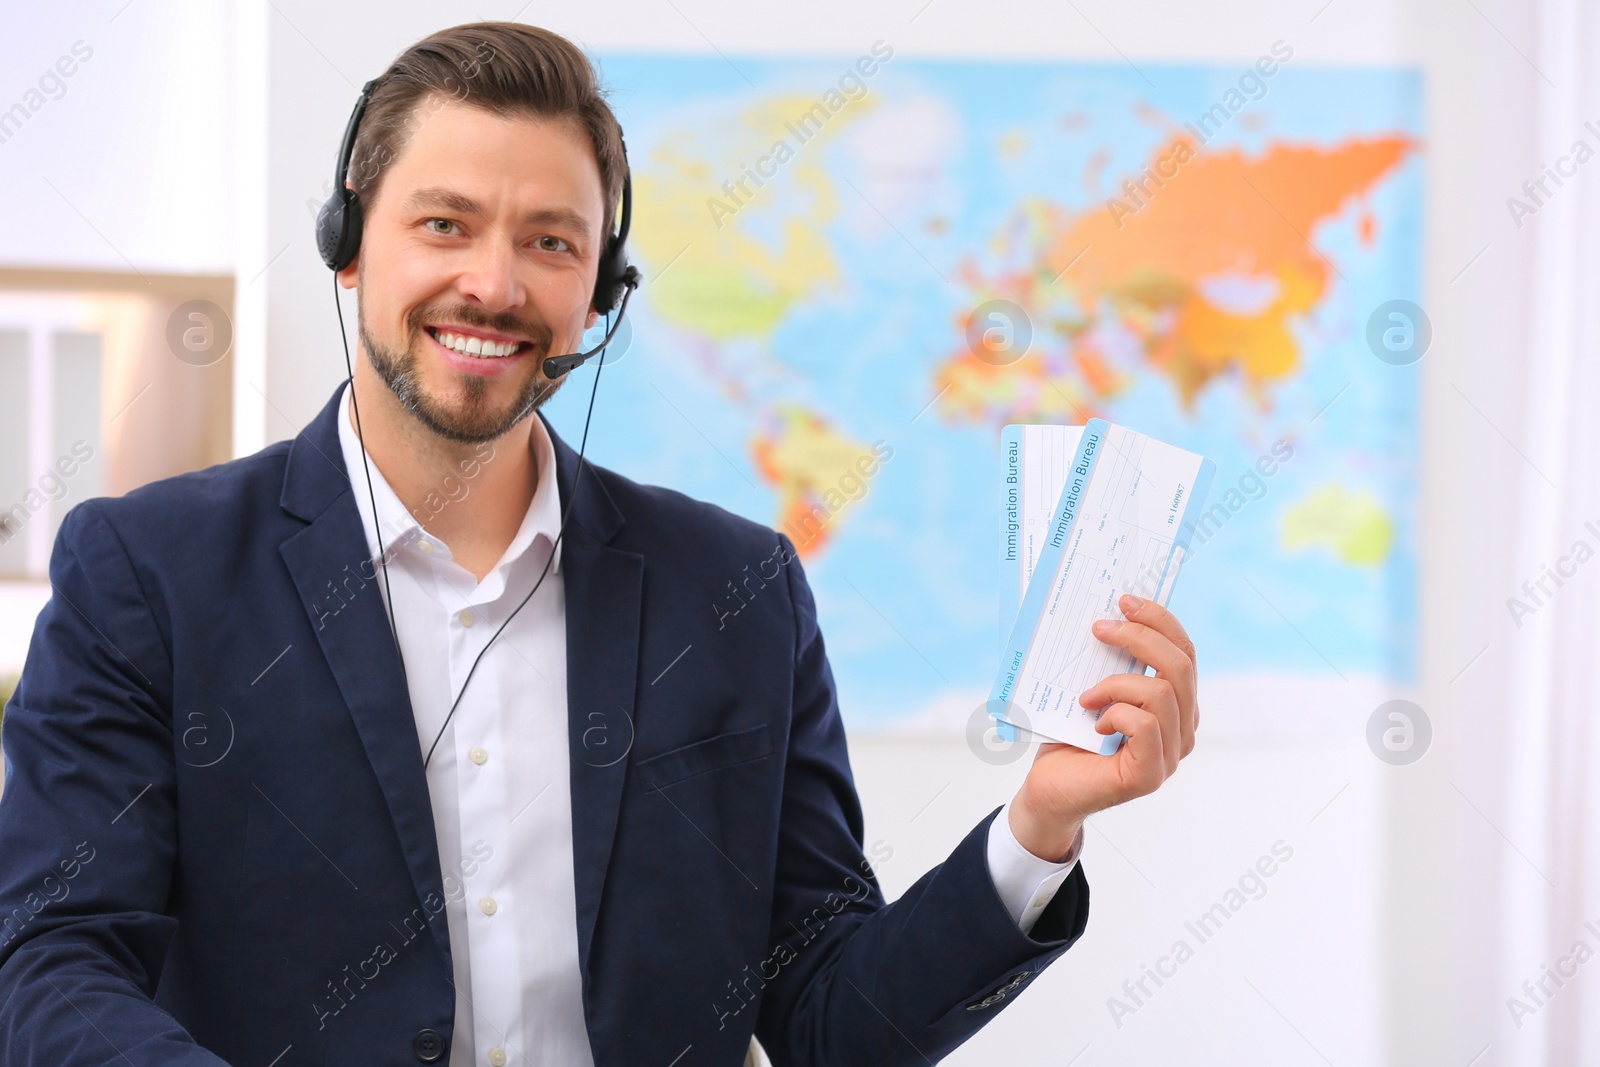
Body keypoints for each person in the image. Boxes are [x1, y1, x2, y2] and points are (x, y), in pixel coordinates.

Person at [0, 21, 1200, 1067]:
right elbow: (49, 962)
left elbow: (833, 1020)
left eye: (550, 242)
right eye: (445, 223)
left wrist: (1039, 826)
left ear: (602, 291)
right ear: (349, 243)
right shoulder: (149, 572)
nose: (494, 282)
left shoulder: (735, 589)